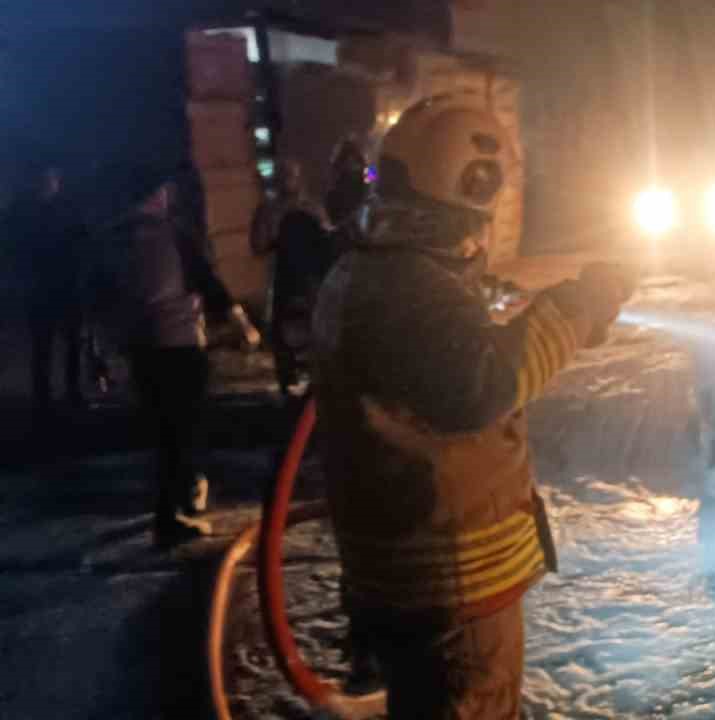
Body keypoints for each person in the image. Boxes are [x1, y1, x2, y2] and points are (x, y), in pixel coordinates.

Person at [312, 96, 634, 719]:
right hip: (451, 583)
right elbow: (481, 386)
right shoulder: (411, 290)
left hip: (408, 580)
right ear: (474, 185)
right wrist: (578, 307)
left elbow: (435, 354)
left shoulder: (373, 270)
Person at [105, 168, 260, 544]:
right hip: (179, 346)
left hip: (142, 350)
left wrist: (105, 351)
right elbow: (208, 281)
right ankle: (173, 516)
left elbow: (100, 297)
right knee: (184, 432)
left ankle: (175, 503)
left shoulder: (114, 240)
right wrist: (243, 325)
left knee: (162, 435)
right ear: (156, 196)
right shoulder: (171, 234)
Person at [11, 164, 88, 424]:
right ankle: (47, 396)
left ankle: (68, 392)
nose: (48, 184)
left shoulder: (58, 212)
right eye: (45, 180)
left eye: (52, 179)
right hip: (45, 287)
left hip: (61, 286)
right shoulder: (28, 213)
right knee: (45, 344)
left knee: (68, 343)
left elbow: (81, 243)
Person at [251, 160, 333, 396]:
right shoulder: (270, 210)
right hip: (285, 281)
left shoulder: (311, 208)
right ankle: (290, 384)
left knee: (311, 332)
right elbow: (258, 245)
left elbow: (327, 241)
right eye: (284, 175)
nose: (288, 180)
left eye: (291, 175)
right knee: (284, 335)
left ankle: (312, 388)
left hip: (307, 282)